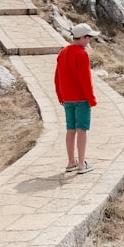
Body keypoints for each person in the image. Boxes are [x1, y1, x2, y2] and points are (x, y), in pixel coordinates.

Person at [55, 23, 100, 174]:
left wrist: (61, 96)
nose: (89, 41)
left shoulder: (63, 52)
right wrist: (91, 99)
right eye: (88, 38)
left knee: (70, 129)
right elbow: (85, 80)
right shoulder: (82, 54)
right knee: (82, 129)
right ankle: (81, 164)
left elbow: (57, 78)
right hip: (81, 99)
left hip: (67, 98)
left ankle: (70, 162)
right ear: (82, 37)